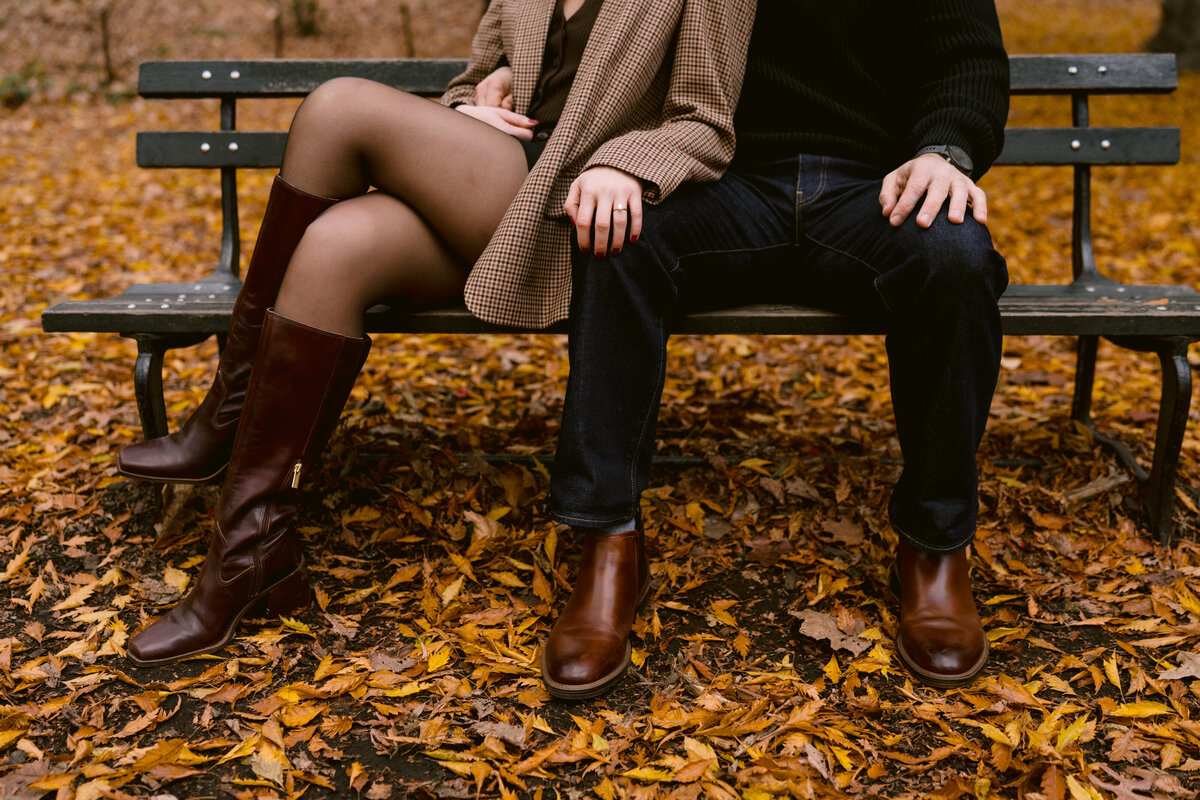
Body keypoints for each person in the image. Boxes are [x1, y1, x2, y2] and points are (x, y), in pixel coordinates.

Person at [118, 0, 755, 668]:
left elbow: (704, 122)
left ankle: (226, 416)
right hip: (494, 192)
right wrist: (466, 110)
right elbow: (469, 82)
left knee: (339, 109)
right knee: (333, 248)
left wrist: (625, 166)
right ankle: (251, 555)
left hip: (589, 211)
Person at [535, 0, 1011, 693]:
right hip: (723, 183)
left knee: (957, 259)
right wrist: (608, 151)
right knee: (618, 241)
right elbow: (613, 44)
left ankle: (936, 548)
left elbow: (968, 65)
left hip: (873, 191)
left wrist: (945, 153)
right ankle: (608, 543)